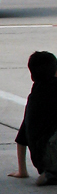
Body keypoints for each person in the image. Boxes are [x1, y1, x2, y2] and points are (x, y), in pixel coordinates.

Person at [10, 50, 57, 185]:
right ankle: (51, 175)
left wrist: (22, 171)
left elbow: (22, 137)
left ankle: (50, 175)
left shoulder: (35, 96)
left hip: (42, 161)